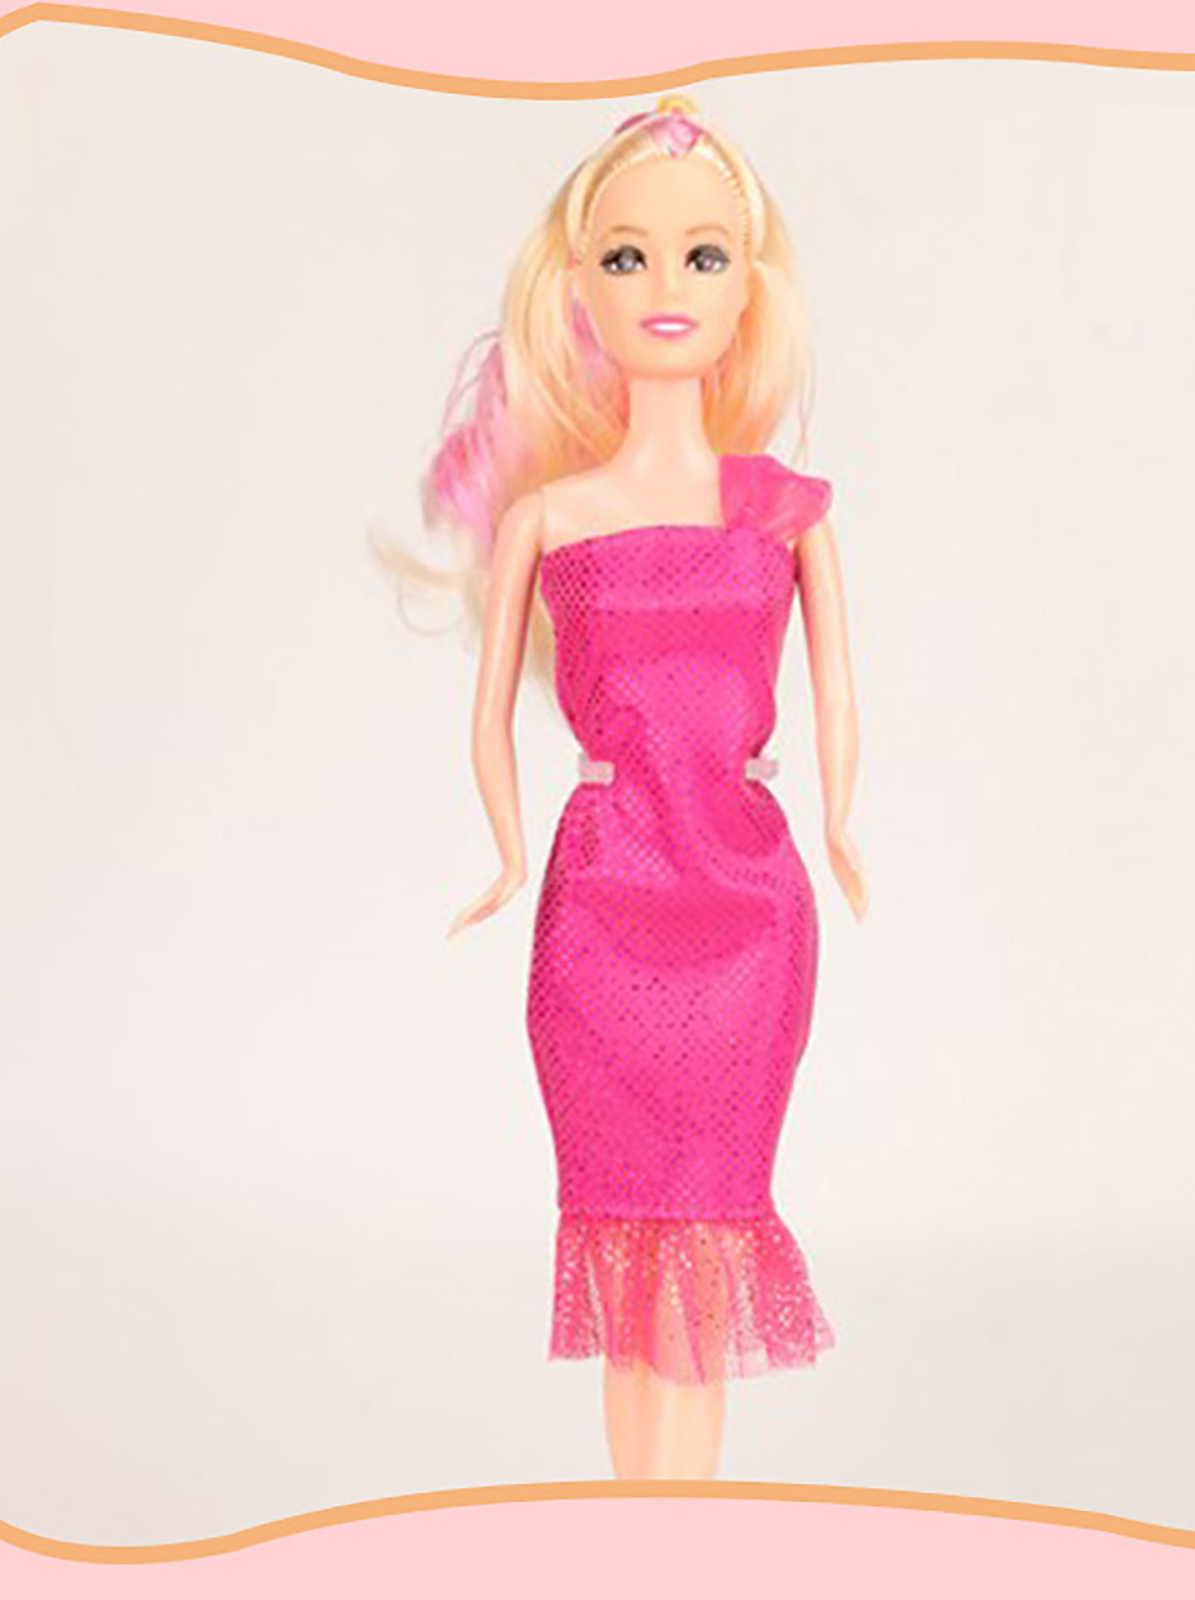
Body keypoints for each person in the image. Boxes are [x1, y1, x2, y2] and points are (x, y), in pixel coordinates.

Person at [396, 91, 866, 1480]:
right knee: (621, 1256)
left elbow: (839, 692)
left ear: (748, 287)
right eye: (627, 255)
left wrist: (839, 821)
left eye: (704, 255)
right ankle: (638, 1535)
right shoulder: (548, 519)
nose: (667, 284)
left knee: (707, 1253)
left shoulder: (787, 511)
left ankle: (683, 1538)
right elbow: (489, 713)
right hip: (602, 905)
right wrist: (505, 852)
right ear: (579, 291)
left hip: (746, 911)